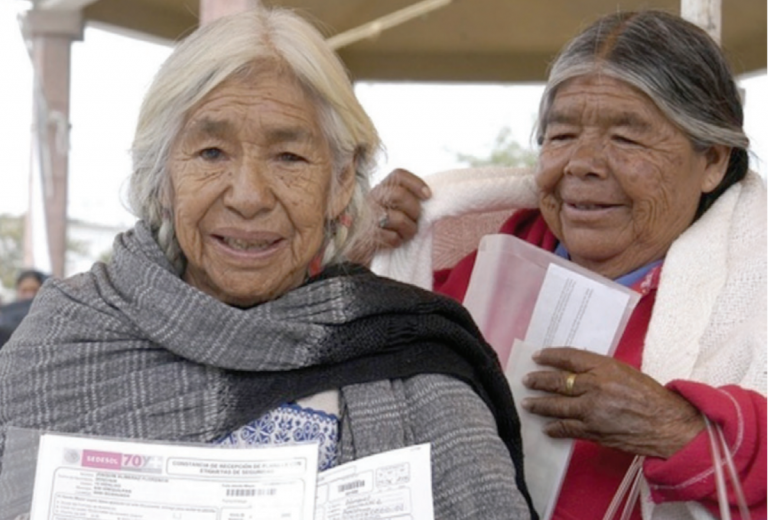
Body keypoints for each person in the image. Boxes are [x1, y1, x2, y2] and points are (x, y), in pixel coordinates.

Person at [0, 7, 535, 519]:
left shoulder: (410, 356)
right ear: (162, 176)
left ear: (340, 182)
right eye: (212, 153)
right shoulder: (65, 342)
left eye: (289, 157)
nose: (249, 196)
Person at [369, 10, 766, 520]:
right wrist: (352, 243)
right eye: (560, 136)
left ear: (712, 160)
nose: (581, 164)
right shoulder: (488, 271)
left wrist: (675, 428)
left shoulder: (752, 290)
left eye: (626, 139)